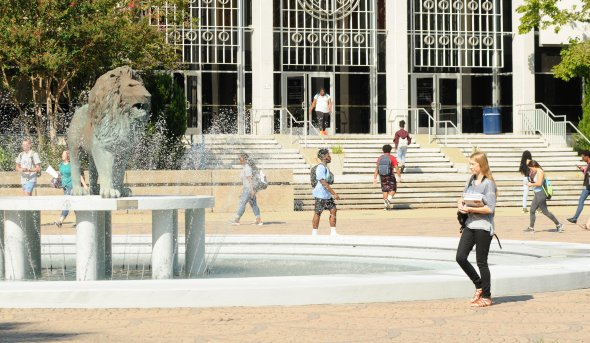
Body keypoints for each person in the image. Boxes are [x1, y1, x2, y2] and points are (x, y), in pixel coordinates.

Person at [455, 151, 497, 307]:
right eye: (470, 163)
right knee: (460, 257)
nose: (470, 166)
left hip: (484, 227)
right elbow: (463, 196)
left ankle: (487, 296)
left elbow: (490, 209)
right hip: (470, 225)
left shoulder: (489, 184)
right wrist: (460, 204)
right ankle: (479, 285)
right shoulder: (470, 180)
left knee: (482, 262)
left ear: (481, 165)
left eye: (473, 164)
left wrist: (472, 210)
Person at [525, 160, 563, 233]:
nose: (531, 169)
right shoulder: (536, 170)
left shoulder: (540, 172)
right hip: (537, 193)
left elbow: (539, 183)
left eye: (531, 168)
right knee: (532, 210)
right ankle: (531, 227)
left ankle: (558, 224)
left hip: (541, 193)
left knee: (545, 212)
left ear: (534, 166)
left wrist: (531, 184)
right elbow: (529, 162)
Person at [54, 150, 88, 228]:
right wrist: (56, 178)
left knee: (66, 204)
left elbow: (79, 175)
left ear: (67, 156)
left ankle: (60, 221)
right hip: (65, 187)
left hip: (72, 187)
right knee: (74, 205)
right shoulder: (61, 164)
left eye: (63, 154)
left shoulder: (72, 165)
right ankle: (80, 221)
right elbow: (61, 175)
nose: (62, 155)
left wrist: (85, 185)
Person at [312, 148, 340, 236]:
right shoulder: (320, 167)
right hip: (320, 195)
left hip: (326, 195)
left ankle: (333, 232)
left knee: (333, 209)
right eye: (328, 155)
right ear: (324, 157)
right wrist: (334, 193)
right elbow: (323, 182)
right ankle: (314, 232)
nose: (330, 157)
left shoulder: (325, 167)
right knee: (318, 212)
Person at [231, 153, 263, 226]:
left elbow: (250, 180)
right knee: (253, 204)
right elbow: (246, 181)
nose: (239, 160)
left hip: (248, 189)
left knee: (242, 203)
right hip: (248, 189)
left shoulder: (247, 168)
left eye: (241, 159)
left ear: (245, 160)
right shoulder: (246, 167)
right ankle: (259, 220)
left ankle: (237, 220)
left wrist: (252, 190)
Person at [373, 144, 402, 210]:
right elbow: (396, 168)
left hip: (382, 176)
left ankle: (386, 206)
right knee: (393, 189)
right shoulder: (392, 157)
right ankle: (388, 201)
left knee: (385, 190)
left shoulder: (380, 158)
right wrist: (399, 176)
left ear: (383, 150)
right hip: (390, 175)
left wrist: (375, 177)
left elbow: (377, 168)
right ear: (390, 150)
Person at [567, 150, 590, 224]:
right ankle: (575, 218)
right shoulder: (588, 164)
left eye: (583, 156)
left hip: (587, 186)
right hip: (586, 185)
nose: (582, 158)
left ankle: (575, 218)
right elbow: (587, 174)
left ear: (587, 156)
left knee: (581, 201)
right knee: (581, 201)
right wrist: (582, 169)